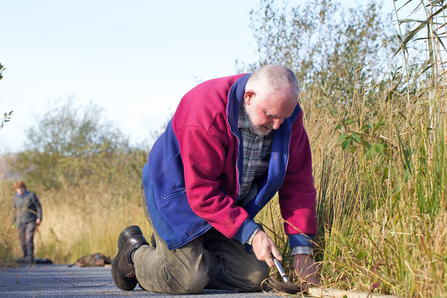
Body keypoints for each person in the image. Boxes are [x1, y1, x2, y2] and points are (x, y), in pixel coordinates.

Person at [112, 65, 319, 294]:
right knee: (188, 280)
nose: (277, 126)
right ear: (249, 97)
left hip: (223, 205)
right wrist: (252, 233)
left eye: (283, 117)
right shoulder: (205, 111)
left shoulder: (285, 116)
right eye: (270, 116)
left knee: (255, 277)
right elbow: (202, 193)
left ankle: (181, 255)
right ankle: (134, 253)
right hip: (174, 195)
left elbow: (298, 184)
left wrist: (302, 252)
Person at [11, 180, 42, 263]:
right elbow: (14, 211)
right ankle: (25, 256)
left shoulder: (31, 195)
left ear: (24, 188)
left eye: (21, 188)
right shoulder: (15, 198)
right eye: (18, 189)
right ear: (16, 190)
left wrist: (39, 217)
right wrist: (14, 223)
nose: (20, 190)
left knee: (29, 239)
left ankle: (30, 257)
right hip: (20, 222)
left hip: (30, 221)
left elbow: (38, 206)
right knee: (22, 240)